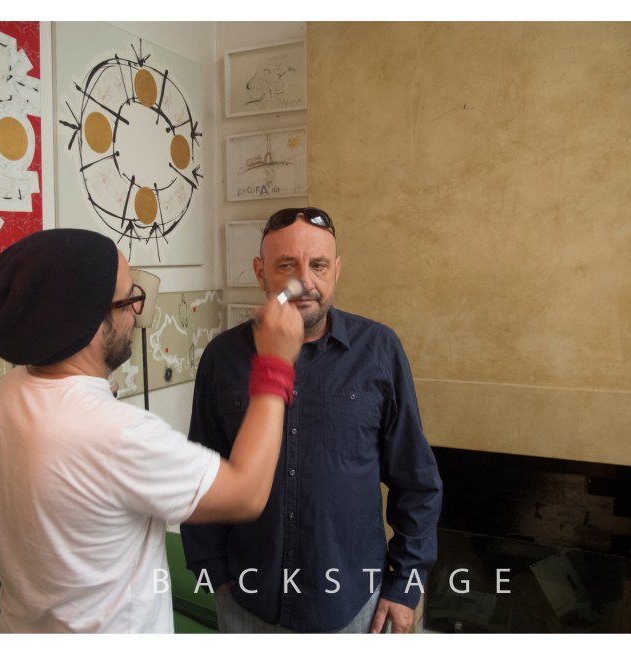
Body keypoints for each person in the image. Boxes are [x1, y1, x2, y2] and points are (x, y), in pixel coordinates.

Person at [0, 228, 303, 633]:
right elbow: (246, 493)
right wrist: (275, 365)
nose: (137, 312)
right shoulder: (114, 434)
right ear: (88, 324)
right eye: (129, 299)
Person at [181, 208, 443, 634]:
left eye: (318, 265)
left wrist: (405, 585)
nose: (305, 281)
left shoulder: (379, 349)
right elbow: (201, 467)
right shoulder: (222, 357)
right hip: (248, 600)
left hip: (352, 603)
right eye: (287, 266)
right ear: (260, 272)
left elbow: (416, 481)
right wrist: (210, 567)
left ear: (336, 270)